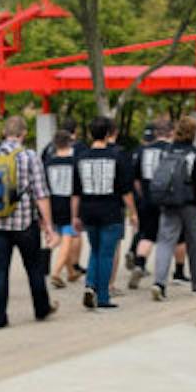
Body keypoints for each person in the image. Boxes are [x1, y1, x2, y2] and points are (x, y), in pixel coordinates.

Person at [0, 114, 58, 328]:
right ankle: (41, 309)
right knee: (33, 267)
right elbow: (41, 193)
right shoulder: (29, 156)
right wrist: (49, 225)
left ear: (5, 132)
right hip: (24, 223)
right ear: (24, 133)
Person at [147, 115, 196, 301]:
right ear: (194, 133)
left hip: (168, 202)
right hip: (190, 204)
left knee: (165, 242)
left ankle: (159, 282)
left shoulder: (166, 151)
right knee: (194, 244)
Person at [74, 114, 136, 309]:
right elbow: (125, 190)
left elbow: (76, 191)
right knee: (107, 254)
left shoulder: (81, 157)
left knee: (95, 250)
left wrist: (74, 215)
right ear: (109, 133)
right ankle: (102, 297)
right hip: (110, 210)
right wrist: (133, 212)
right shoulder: (117, 156)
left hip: (87, 210)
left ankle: (90, 285)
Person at [124, 121, 167, 290]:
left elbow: (134, 179)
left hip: (145, 199)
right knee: (171, 238)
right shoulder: (170, 150)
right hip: (165, 200)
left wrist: (141, 195)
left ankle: (139, 264)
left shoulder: (139, 151)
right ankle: (173, 274)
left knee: (146, 234)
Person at [43, 126, 82, 287]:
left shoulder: (48, 162)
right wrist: (75, 215)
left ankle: (72, 272)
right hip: (68, 204)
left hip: (53, 203)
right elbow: (75, 193)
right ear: (70, 142)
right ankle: (56, 272)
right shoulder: (74, 162)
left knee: (60, 235)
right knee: (67, 237)